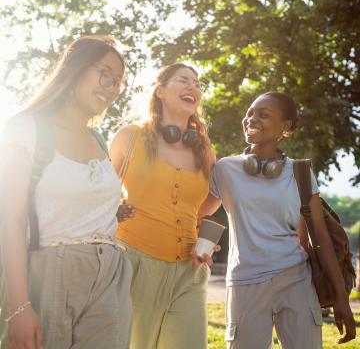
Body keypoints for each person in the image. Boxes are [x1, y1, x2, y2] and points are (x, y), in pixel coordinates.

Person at [0, 35, 133, 349]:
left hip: (110, 274)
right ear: (75, 69)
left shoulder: (101, 140)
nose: (112, 87)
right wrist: (19, 306)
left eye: (118, 82)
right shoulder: (26, 130)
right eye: (105, 74)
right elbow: (11, 221)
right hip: (49, 270)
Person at [199, 92, 356, 348]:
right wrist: (202, 242)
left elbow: (322, 239)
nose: (252, 118)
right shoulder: (225, 169)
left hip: (296, 279)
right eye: (250, 112)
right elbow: (197, 213)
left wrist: (341, 297)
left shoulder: (301, 173)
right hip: (245, 283)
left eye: (263, 114)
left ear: (286, 127)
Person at [110, 63, 216, 349]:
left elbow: (214, 197)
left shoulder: (204, 150)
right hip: (132, 263)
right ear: (160, 91)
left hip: (188, 272)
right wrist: (114, 209)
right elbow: (98, 192)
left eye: (197, 83)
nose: (193, 87)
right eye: (183, 80)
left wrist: (200, 231)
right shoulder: (130, 137)